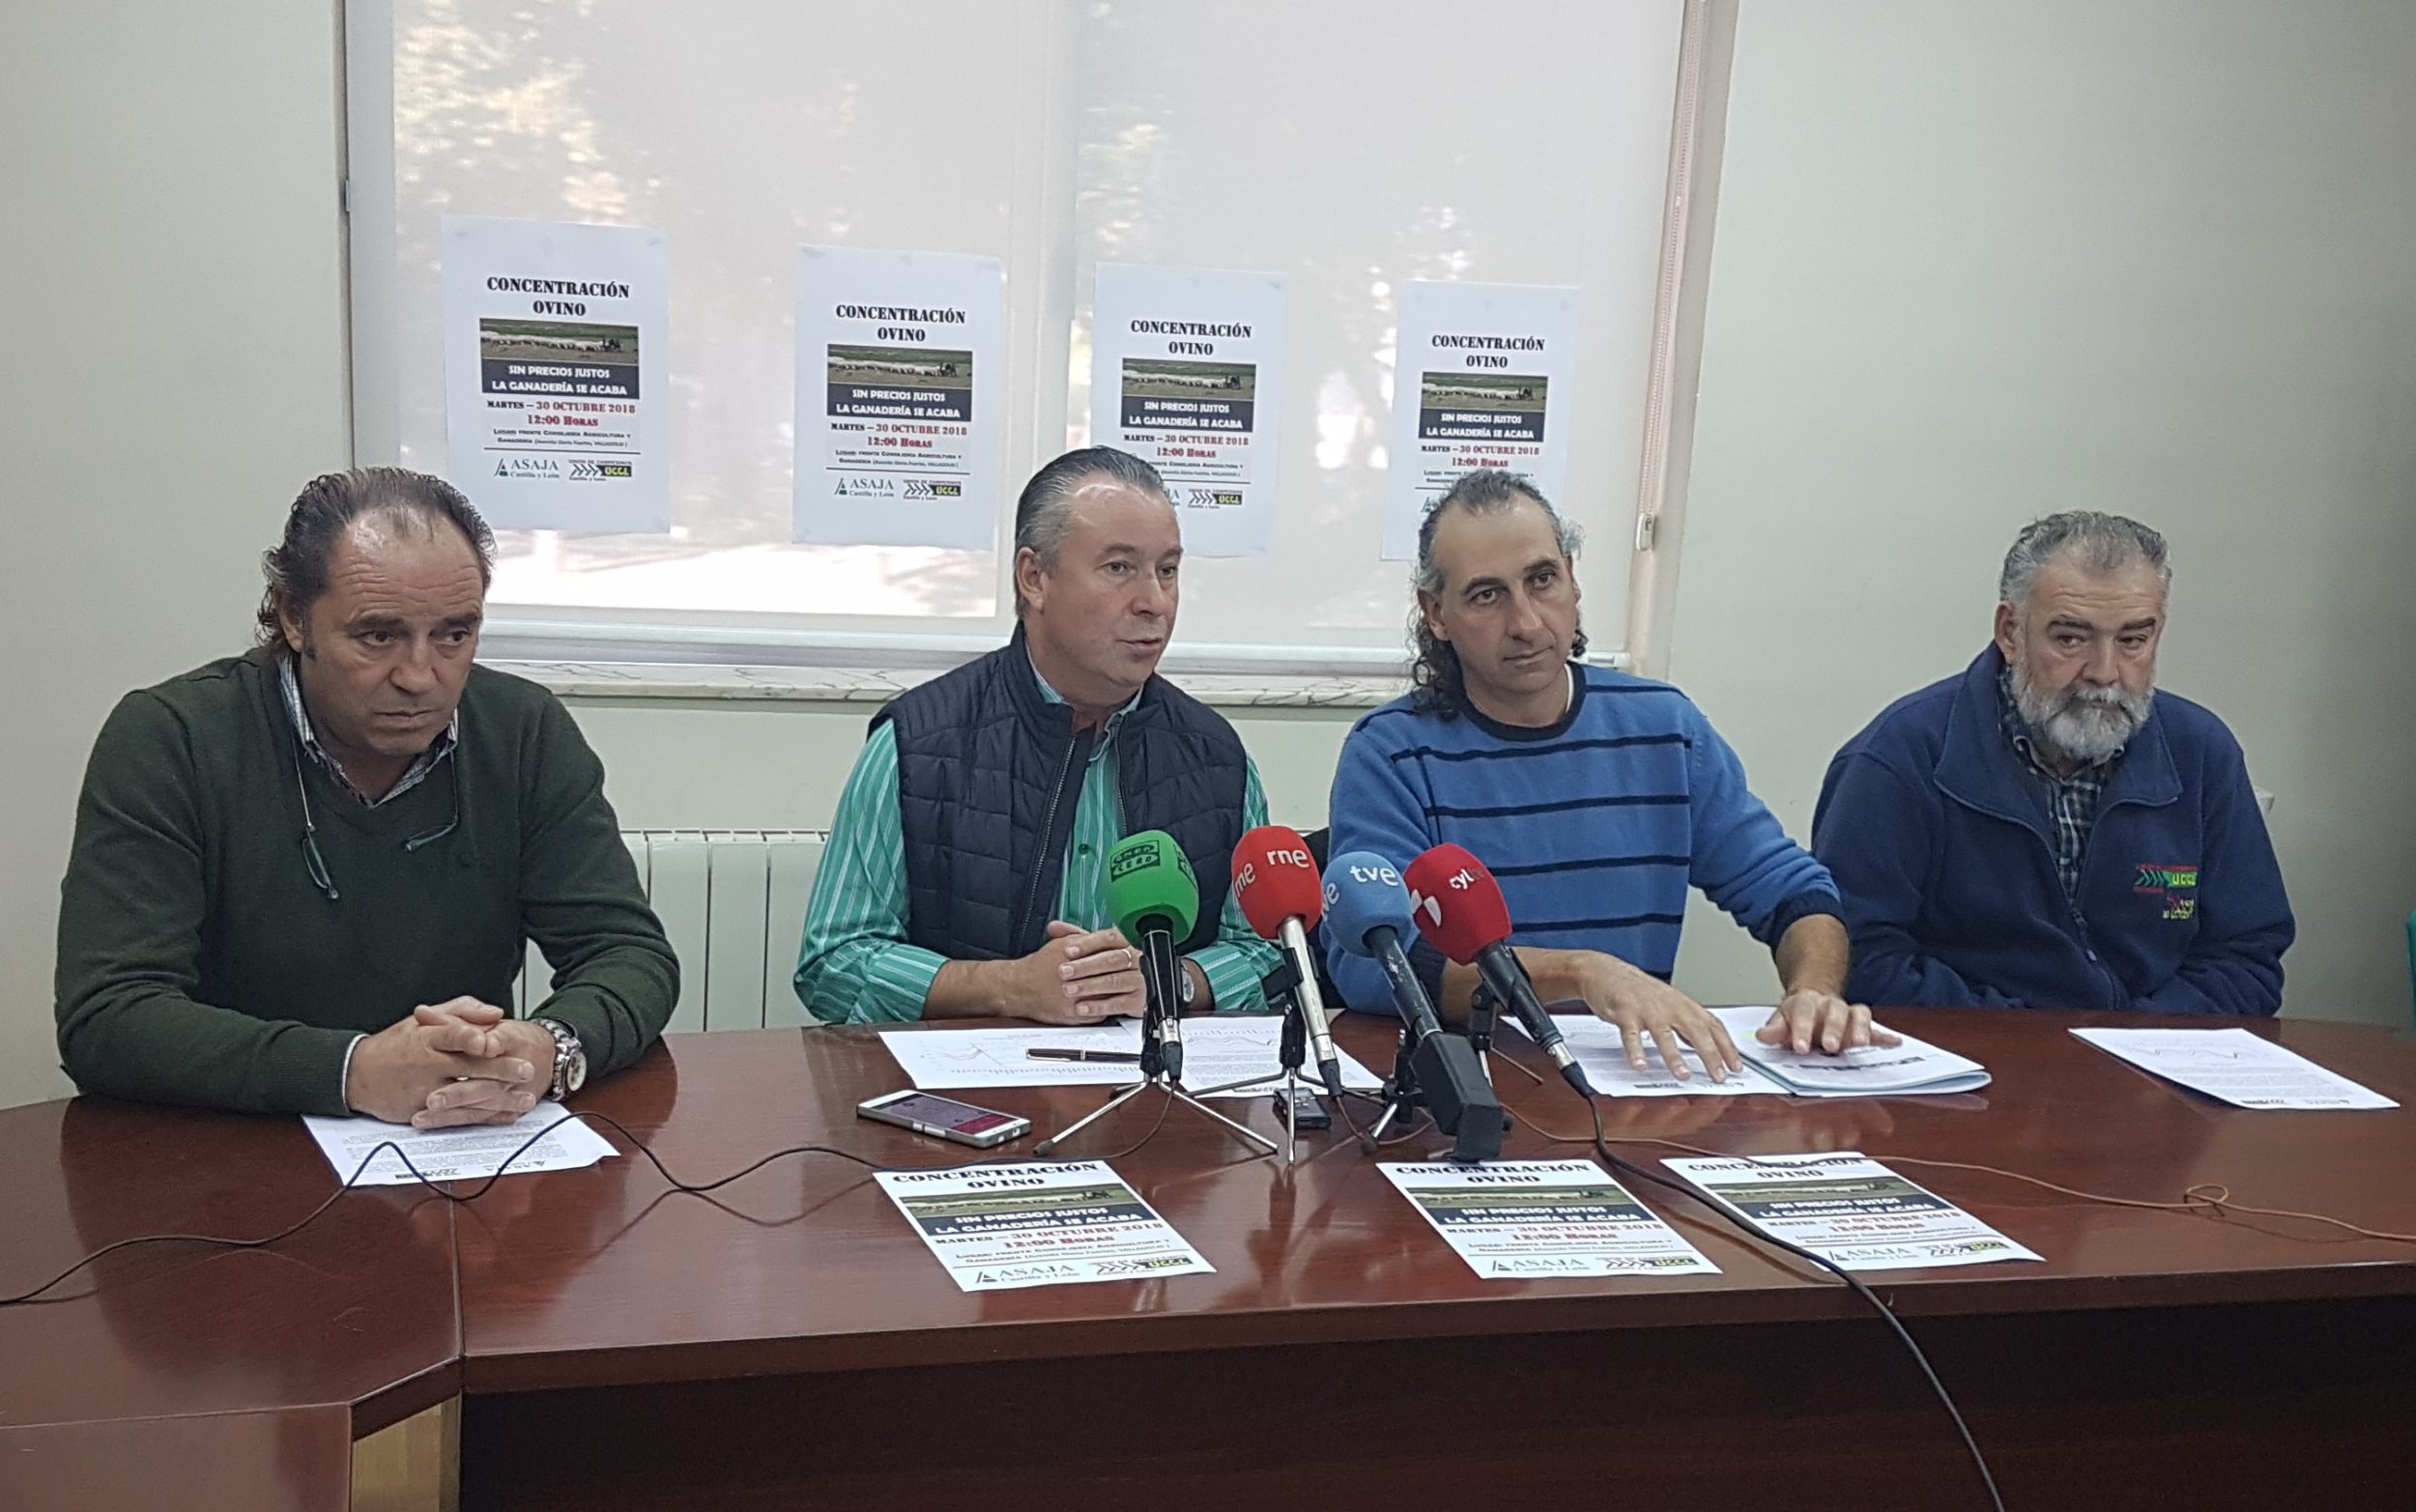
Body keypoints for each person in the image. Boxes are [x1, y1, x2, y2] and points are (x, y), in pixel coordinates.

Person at [54, 469, 677, 1127]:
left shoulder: (523, 732)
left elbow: (628, 953)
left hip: (456, 1142)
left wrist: (546, 1048)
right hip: (228, 1144)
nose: (420, 676)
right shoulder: (172, 739)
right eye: (379, 636)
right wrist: (352, 1071)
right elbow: (109, 1015)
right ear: (294, 617)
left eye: (454, 635)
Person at [1325, 471, 1885, 1080]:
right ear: (1436, 614)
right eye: (1487, 595)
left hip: (1635, 1083)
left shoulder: (1664, 728)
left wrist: (1814, 991)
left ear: (1572, 578)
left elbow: (1793, 892)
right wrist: (1580, 972)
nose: (1527, 622)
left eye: (1542, 580)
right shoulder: (1392, 753)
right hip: (1474, 1082)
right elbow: (1373, 965)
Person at [796, 446, 1280, 1024]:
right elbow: (835, 961)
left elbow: (1267, 951)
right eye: (1118, 568)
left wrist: (1166, 981)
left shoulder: (1216, 756)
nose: (1154, 602)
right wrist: (1008, 987)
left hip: (1157, 1070)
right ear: (1034, 578)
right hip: (973, 1075)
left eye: (1168, 571)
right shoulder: (919, 745)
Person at [1814, 511, 2292, 1012]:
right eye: (2070, 639)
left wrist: (2131, 1039)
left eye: (2132, 640)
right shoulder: (1898, 756)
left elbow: (2247, 958)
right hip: (1970, 1052)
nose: (2105, 673)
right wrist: (2037, 1042)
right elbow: (1858, 959)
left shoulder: (2203, 753)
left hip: (2153, 1054)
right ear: (2010, 632)